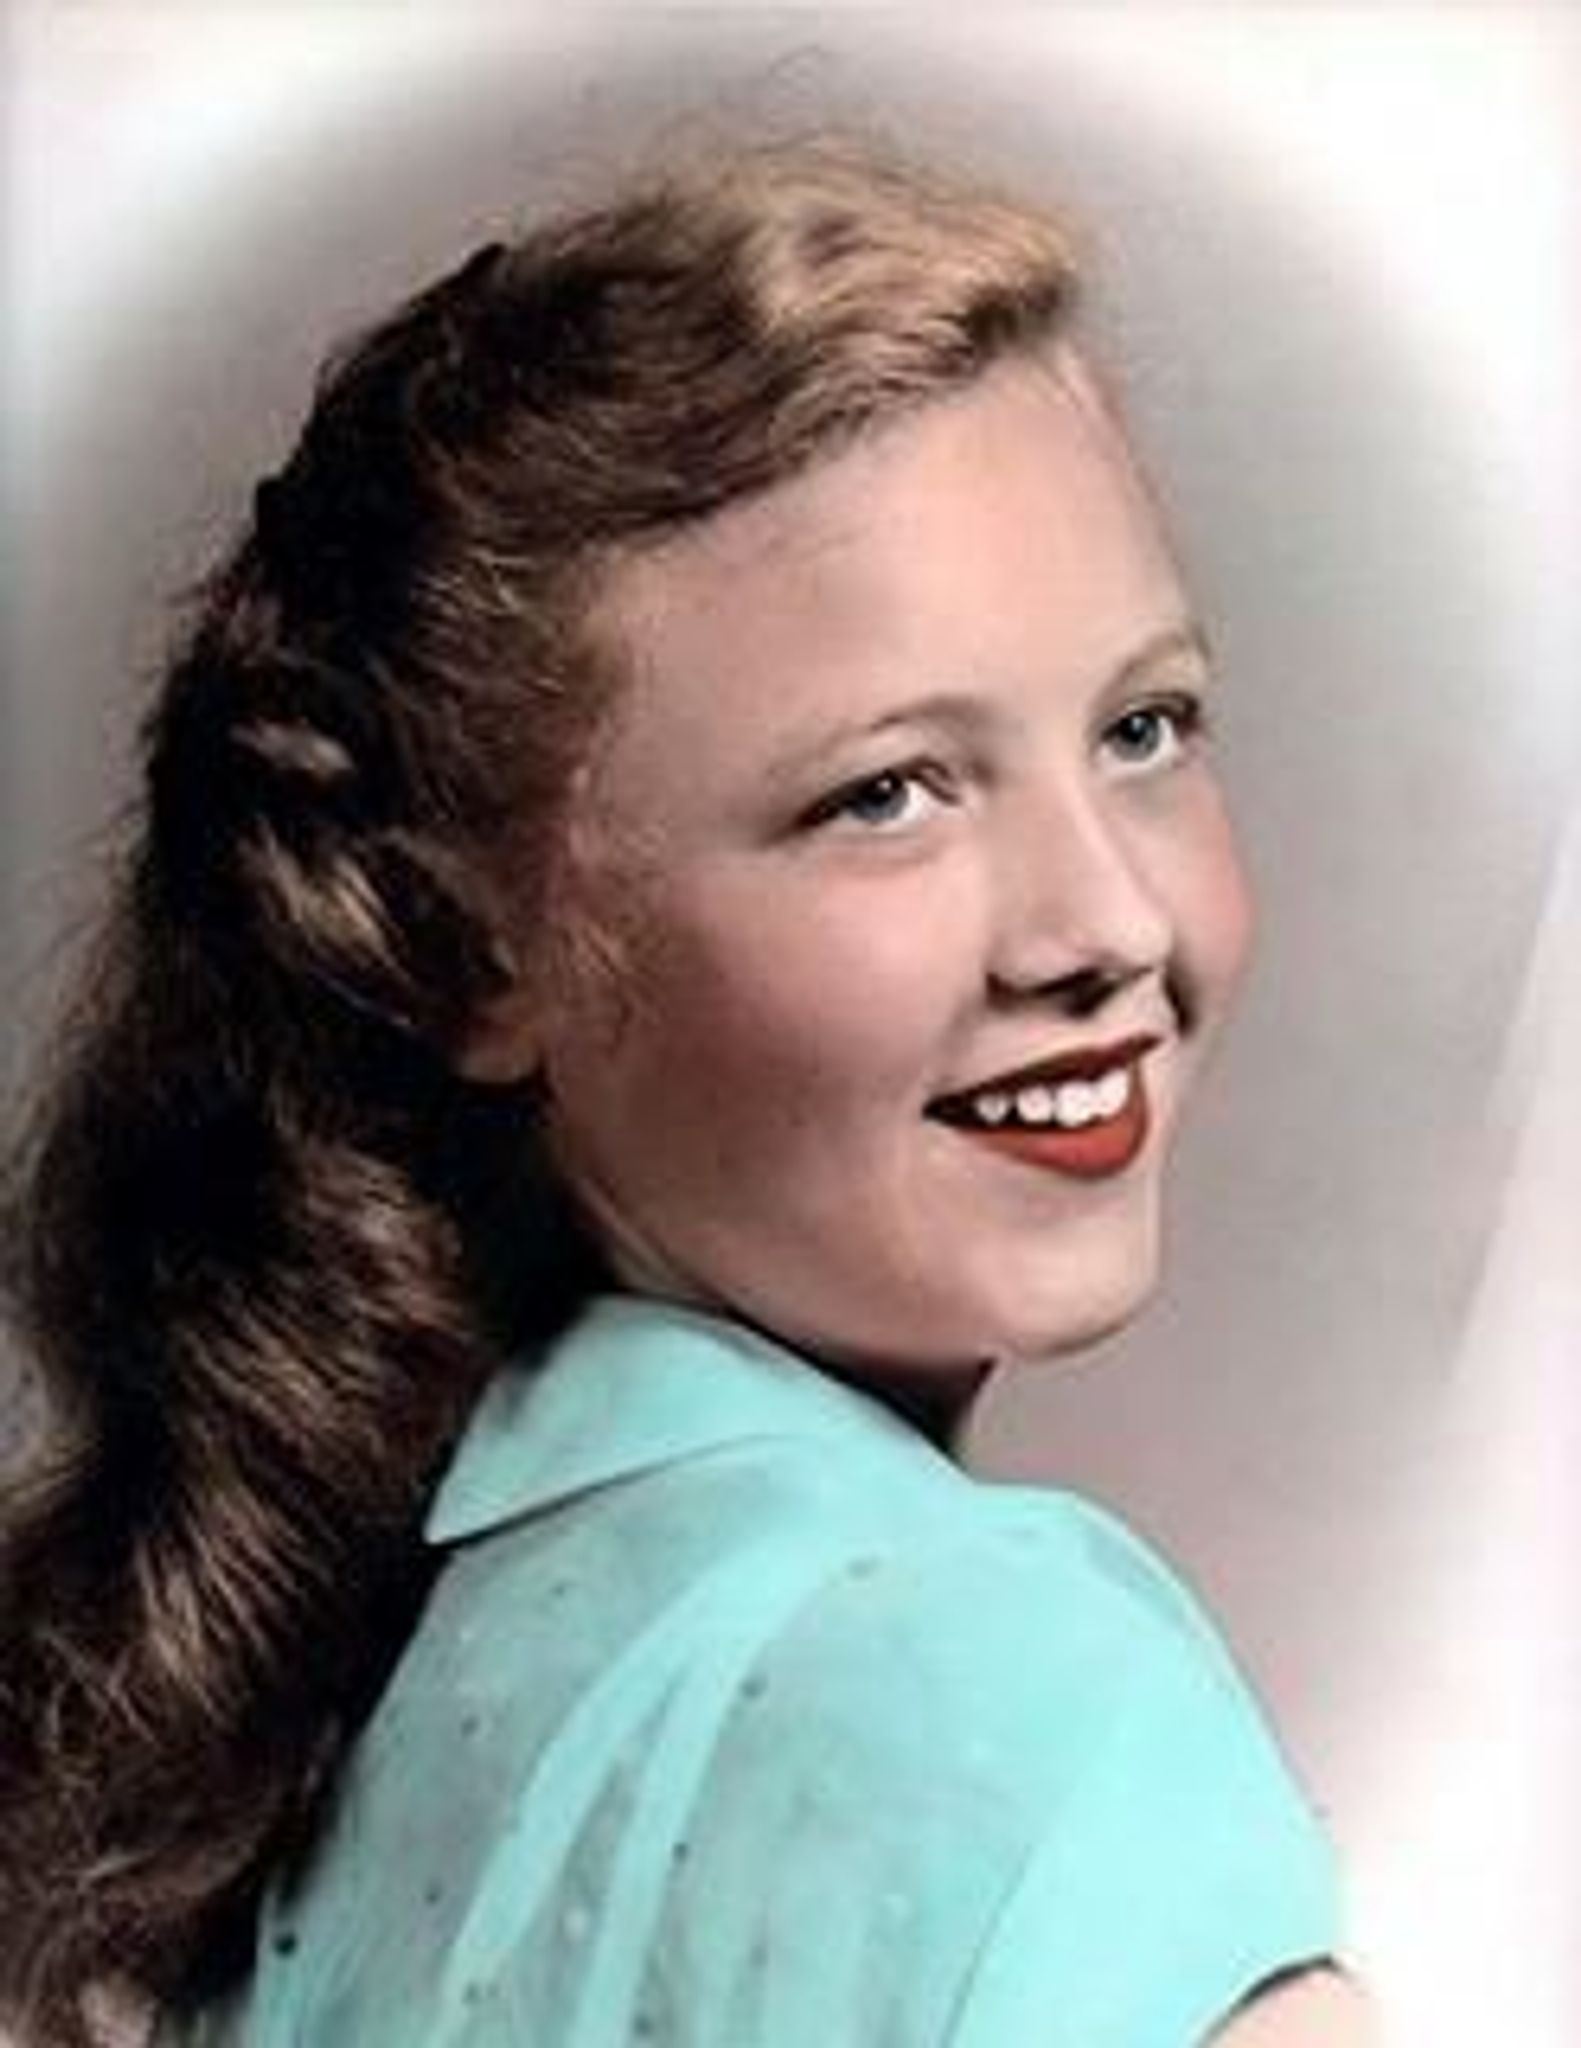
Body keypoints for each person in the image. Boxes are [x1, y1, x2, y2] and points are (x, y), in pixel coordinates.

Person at [0, 138, 1370, 2045]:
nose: (1106, 924)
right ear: (467, 952)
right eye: (883, 794)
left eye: (1142, 728)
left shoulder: (321, 1687)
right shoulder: (1017, 1694)